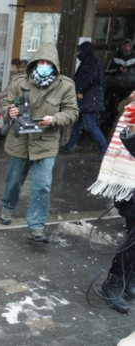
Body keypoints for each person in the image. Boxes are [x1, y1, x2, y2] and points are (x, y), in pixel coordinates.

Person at [0, 43, 78, 242]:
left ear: (54, 65)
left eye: (48, 62)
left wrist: (55, 119)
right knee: (14, 179)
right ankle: (7, 208)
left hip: (46, 142)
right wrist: (10, 111)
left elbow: (72, 112)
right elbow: (6, 103)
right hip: (21, 140)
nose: (44, 65)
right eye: (40, 61)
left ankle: (36, 225)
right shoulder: (20, 82)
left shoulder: (65, 85)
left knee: (42, 185)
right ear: (34, 63)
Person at [89, 93, 135, 314]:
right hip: (131, 185)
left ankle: (129, 279)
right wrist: (133, 131)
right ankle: (113, 283)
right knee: (133, 240)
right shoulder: (131, 108)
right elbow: (129, 146)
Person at [59, 42, 108, 161]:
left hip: (88, 98)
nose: (78, 54)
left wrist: (80, 90)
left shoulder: (90, 62)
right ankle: (70, 145)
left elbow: (89, 78)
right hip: (90, 97)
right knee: (79, 122)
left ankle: (104, 150)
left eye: (79, 51)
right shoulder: (93, 61)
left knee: (89, 125)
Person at [0, 59, 26, 142]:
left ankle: (1, 136)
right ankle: (4, 135)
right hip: (22, 101)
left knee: (7, 120)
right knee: (16, 120)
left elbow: (7, 91)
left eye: (11, 66)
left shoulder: (15, 77)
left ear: (14, 66)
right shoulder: (26, 75)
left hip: (14, 101)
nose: (10, 68)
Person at [106, 39, 135, 127]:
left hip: (130, 86)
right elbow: (107, 71)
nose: (126, 47)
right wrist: (118, 70)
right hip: (117, 86)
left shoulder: (134, 58)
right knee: (115, 106)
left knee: (128, 106)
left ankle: (124, 125)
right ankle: (114, 124)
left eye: (128, 46)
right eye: (125, 45)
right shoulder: (115, 58)